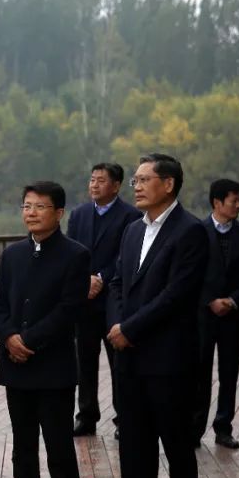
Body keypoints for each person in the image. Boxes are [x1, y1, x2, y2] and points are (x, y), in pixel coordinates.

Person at [99, 153, 208, 478]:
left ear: (169, 184)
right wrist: (117, 324)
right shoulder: (132, 230)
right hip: (128, 357)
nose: (138, 186)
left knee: (176, 445)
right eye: (136, 181)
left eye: (145, 179)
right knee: (134, 441)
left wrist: (130, 328)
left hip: (168, 358)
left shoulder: (190, 231)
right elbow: (116, 283)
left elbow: (176, 295)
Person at [0, 181, 89, 478]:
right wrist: (8, 337)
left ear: (58, 213)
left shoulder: (75, 255)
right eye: (26, 206)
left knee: (58, 444)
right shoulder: (13, 254)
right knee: (23, 445)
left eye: (39, 207)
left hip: (53, 365)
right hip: (15, 365)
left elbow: (69, 309)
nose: (31, 213)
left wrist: (27, 340)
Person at [66, 163, 141, 437]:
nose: (94, 185)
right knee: (84, 362)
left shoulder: (131, 216)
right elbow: (70, 252)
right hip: (85, 302)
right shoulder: (79, 214)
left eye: (101, 180)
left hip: (114, 301)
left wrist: (100, 277)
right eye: (92, 180)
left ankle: (125, 418)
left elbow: (127, 256)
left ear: (116, 185)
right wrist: (84, 279)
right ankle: (86, 416)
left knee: (119, 362)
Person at [192, 179, 239, 449]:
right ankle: (195, 428)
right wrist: (209, 301)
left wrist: (231, 300)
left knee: (229, 373)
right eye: (234, 201)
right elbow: (190, 273)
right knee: (199, 372)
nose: (238, 205)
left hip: (233, 315)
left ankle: (223, 428)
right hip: (202, 315)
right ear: (217, 202)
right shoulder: (197, 231)